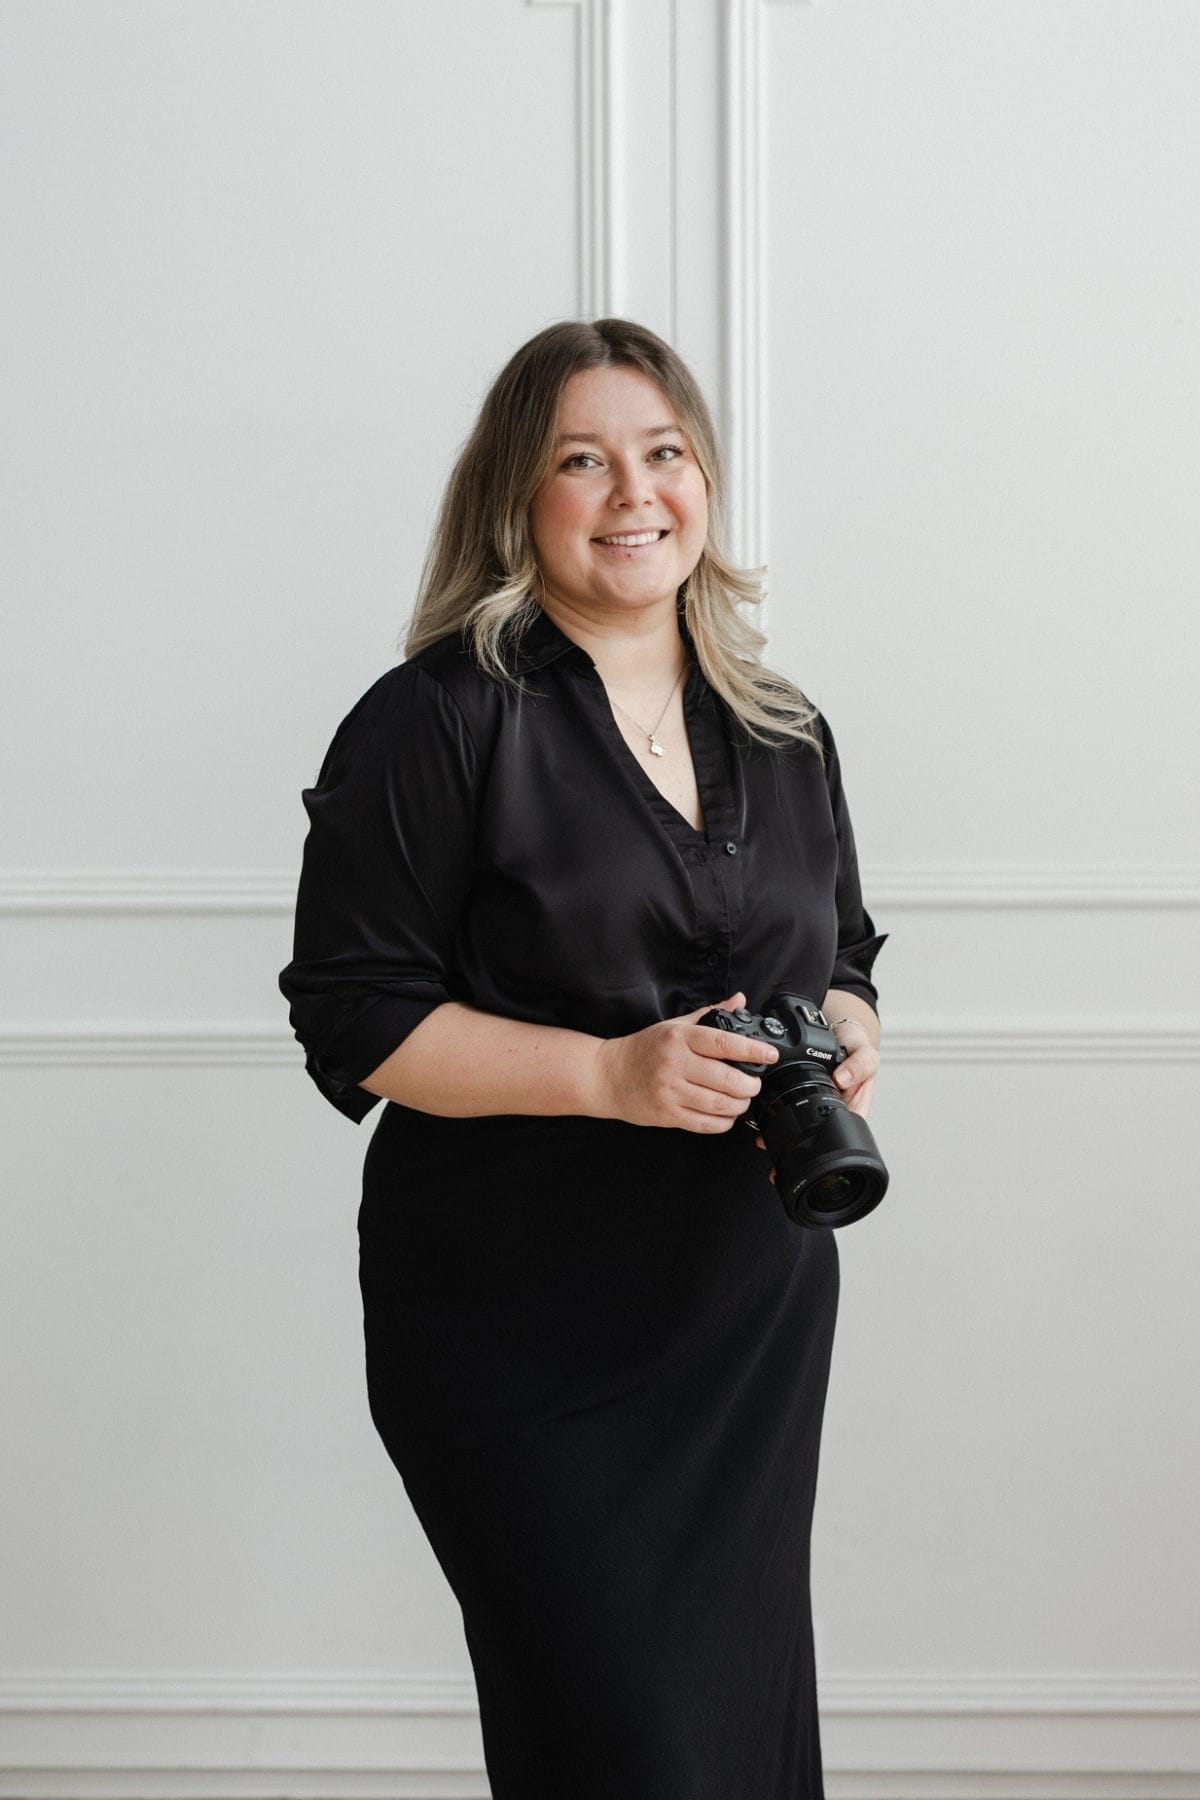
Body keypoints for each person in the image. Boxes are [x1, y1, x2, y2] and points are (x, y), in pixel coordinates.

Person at [279, 317, 885, 1800]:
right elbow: (355, 1014)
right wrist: (611, 1075)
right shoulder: (436, 719)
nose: (635, 492)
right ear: (518, 497)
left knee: (734, 1741)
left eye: (664, 452)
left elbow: (844, 951)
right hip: (519, 1327)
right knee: (622, 1748)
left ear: (706, 482)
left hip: (741, 1314)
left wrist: (851, 1027)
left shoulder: (785, 728)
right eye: (583, 459)